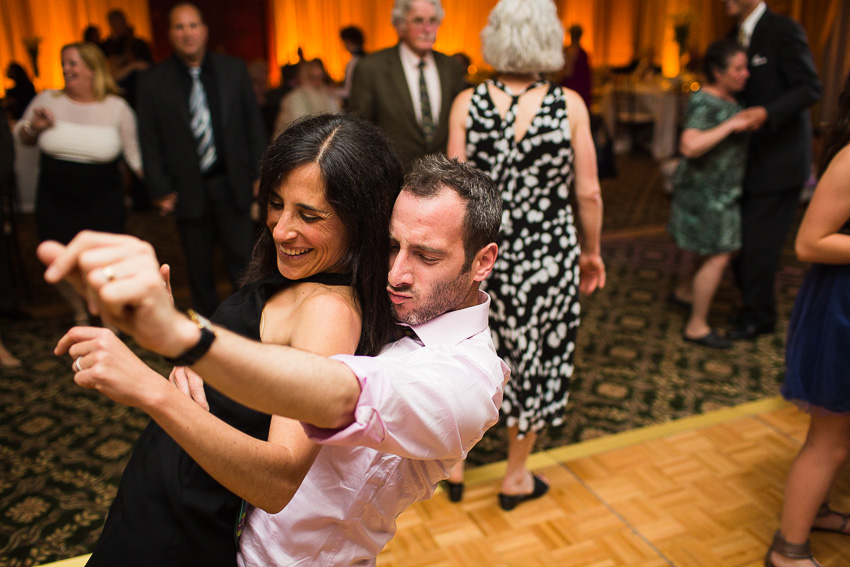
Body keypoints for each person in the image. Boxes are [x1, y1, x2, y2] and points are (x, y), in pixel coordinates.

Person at [41, 153, 507, 566]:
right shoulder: (384, 296)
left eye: (426, 256)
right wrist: (194, 354)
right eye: (391, 246)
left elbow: (339, 391)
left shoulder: (469, 382)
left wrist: (182, 342)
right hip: (219, 536)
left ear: (482, 262)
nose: (397, 272)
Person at [59, 114, 402, 566]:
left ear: (362, 222)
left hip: (181, 530)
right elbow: (244, 368)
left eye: (309, 215)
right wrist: (171, 333)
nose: (280, 229)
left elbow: (278, 481)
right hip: (162, 496)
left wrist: (152, 391)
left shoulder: (329, 310)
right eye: (277, 204)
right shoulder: (297, 278)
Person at [446, 0, 604, 509]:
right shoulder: (570, 105)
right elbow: (590, 194)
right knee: (536, 357)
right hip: (549, 256)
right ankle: (515, 477)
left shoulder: (467, 103)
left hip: (484, 256)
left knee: (468, 351)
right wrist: (593, 252)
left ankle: (453, 467)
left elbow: (453, 194)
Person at [764, 71, 850, 567]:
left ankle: (817, 511)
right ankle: (788, 550)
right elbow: (809, 242)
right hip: (842, 309)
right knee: (831, 440)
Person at [136, 2, 267, 317]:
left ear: (205, 30)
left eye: (193, 25)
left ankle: (250, 327)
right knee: (198, 269)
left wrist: (261, 174)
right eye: (179, 27)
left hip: (232, 183)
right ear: (170, 34)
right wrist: (159, 188)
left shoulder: (233, 70)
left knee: (243, 263)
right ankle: (206, 337)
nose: (187, 33)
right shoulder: (153, 81)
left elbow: (253, 125)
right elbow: (148, 140)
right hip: (187, 190)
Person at [16, 42, 141, 325]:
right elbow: (22, 136)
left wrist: (162, 188)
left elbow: (134, 155)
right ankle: (79, 308)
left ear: (93, 69)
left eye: (73, 63)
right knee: (55, 256)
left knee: (103, 262)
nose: (66, 69)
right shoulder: (47, 99)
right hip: (54, 198)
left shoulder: (116, 107)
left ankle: (105, 311)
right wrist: (34, 127)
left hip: (102, 200)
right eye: (64, 64)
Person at [722, 0, 822, 340]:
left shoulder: (783, 30)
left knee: (758, 246)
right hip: (746, 161)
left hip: (780, 162)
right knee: (741, 241)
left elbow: (810, 88)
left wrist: (767, 112)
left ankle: (759, 316)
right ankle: (751, 305)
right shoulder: (733, 35)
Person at [667, 40, 759, 349]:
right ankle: (697, 325)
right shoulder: (706, 101)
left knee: (705, 249)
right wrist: (732, 124)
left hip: (713, 191)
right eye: (738, 68)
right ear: (718, 72)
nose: (745, 74)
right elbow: (689, 146)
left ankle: (684, 291)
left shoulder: (726, 97)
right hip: (709, 194)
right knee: (719, 254)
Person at [348, 0, 466, 172]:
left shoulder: (452, 68)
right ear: (400, 26)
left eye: (432, 21)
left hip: (443, 181)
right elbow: (359, 133)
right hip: (394, 182)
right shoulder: (371, 68)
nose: (427, 29)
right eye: (418, 21)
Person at [272, 59, 341, 136]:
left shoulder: (328, 95)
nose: (318, 82)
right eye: (313, 78)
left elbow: (337, 118)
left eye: (320, 77)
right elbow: (299, 126)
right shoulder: (294, 98)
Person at [560, 24, 592, 109]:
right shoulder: (583, 52)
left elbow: (568, 73)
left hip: (572, 86)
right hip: (581, 86)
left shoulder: (570, 51)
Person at [337, 26, 366, 105]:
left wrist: (330, 91)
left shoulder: (355, 62)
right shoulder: (367, 58)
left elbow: (348, 92)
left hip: (357, 104)